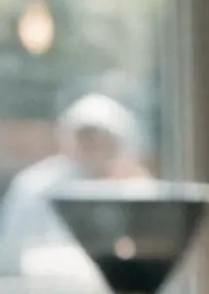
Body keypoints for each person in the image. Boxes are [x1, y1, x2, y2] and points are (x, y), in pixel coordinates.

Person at [0, 93, 148, 277]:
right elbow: (12, 252)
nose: (94, 146)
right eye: (86, 138)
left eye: (101, 139)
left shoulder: (135, 190)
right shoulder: (36, 185)